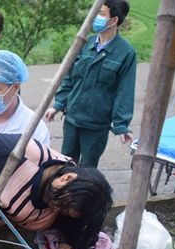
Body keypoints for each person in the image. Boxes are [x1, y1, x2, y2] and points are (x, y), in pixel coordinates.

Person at [44, 0, 135, 168]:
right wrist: (58, 104)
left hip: (96, 124)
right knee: (66, 164)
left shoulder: (125, 52)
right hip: (72, 118)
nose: (95, 18)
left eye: (101, 14)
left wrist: (121, 125)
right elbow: (69, 77)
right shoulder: (84, 43)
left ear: (114, 20)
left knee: (87, 169)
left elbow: (125, 91)